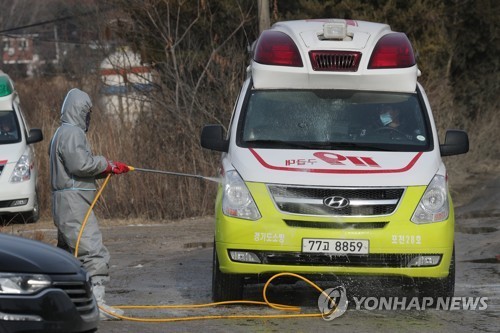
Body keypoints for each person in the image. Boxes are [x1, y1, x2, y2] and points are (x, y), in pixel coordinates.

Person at [49, 88, 129, 321]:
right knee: (93, 251)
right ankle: (97, 304)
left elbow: (78, 169)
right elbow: (80, 165)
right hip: (73, 204)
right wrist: (106, 163)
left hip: (66, 202)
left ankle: (63, 302)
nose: (88, 118)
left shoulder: (61, 133)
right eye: (87, 112)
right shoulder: (72, 133)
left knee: (67, 256)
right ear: (79, 111)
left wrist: (108, 169)